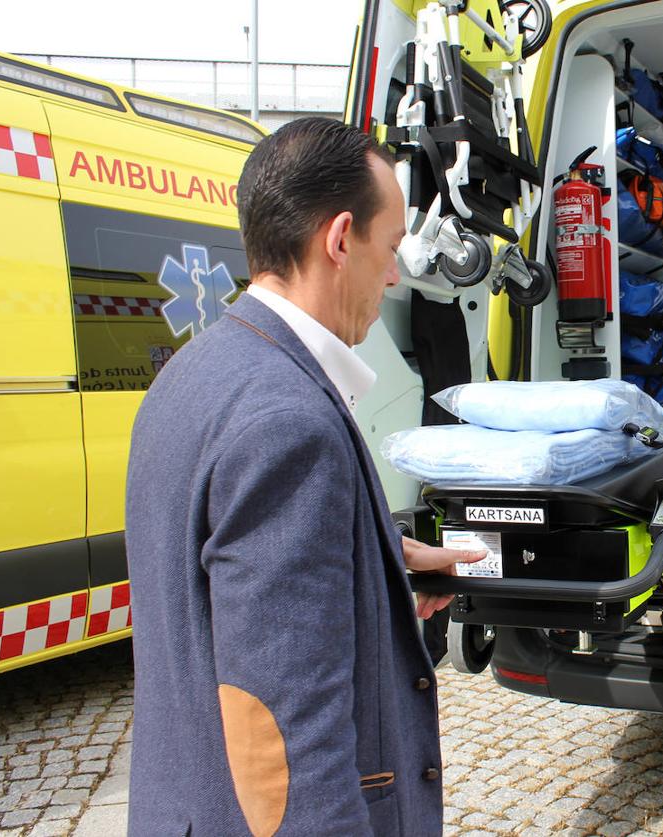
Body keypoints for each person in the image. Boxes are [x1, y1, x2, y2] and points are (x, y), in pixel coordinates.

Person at [126, 117, 484, 836]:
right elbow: (285, 738)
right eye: (388, 250)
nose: (392, 276)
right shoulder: (290, 421)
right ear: (340, 237)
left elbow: (217, 591)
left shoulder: (189, 374)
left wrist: (379, 566)